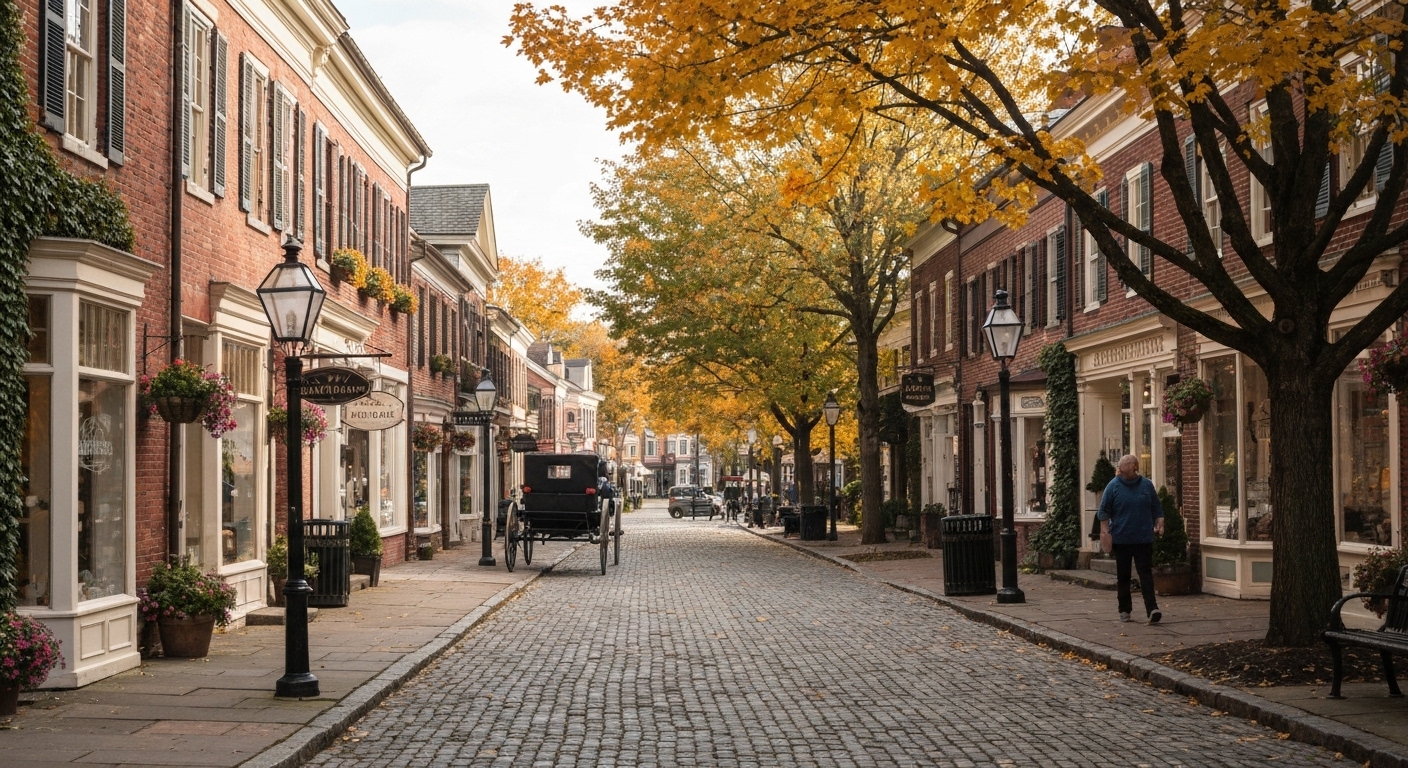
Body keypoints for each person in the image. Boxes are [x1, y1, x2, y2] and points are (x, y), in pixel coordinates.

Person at [1097, 454, 1164, 625]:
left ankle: (1152, 609)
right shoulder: (1113, 486)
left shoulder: (1146, 485)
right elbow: (1103, 511)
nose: (1119, 470)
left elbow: (1156, 507)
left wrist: (1159, 522)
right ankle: (1124, 610)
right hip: (1122, 539)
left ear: (1134, 467)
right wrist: (1105, 532)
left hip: (1143, 538)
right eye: (1119, 468)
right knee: (1124, 576)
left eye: (1123, 468)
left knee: (1145, 574)